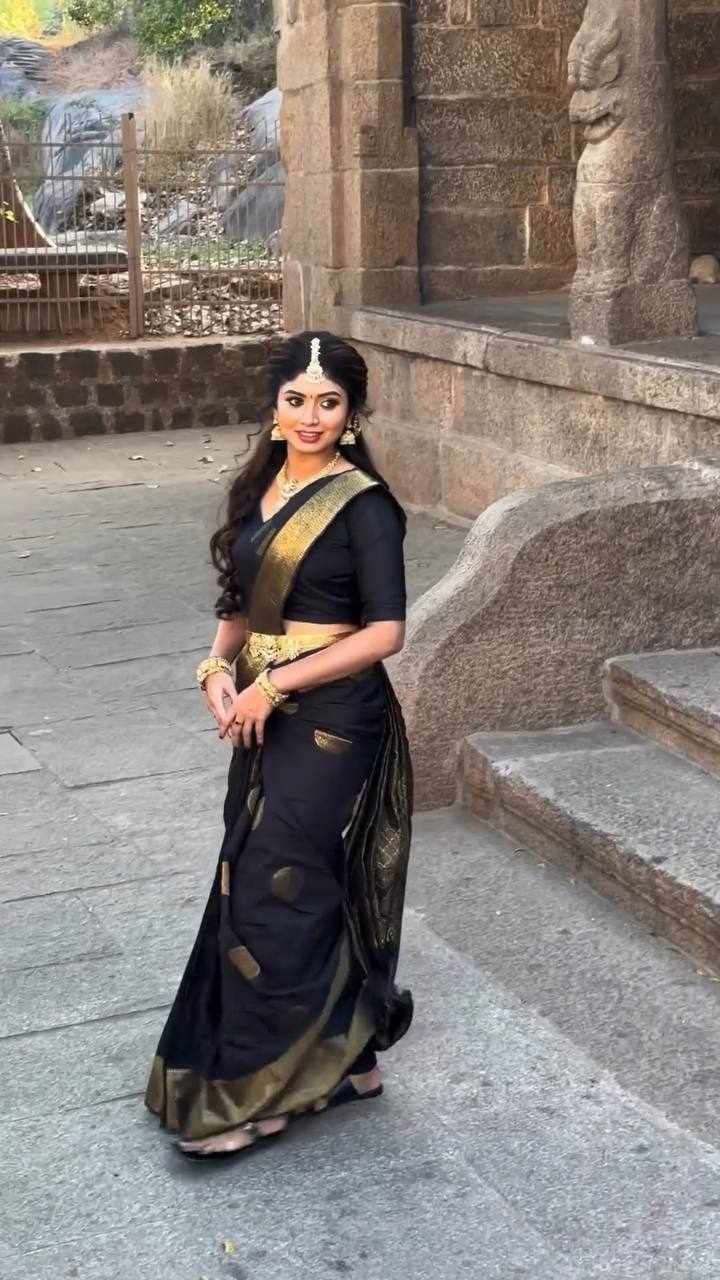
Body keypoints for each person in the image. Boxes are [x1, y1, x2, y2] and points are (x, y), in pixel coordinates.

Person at [144, 330, 414, 1159]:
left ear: (352, 414)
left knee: (277, 883)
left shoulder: (364, 506)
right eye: (297, 400)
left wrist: (273, 684)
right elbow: (240, 604)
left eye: (329, 403)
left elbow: (386, 634)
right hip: (262, 709)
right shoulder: (259, 489)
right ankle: (350, 1057)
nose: (311, 416)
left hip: (333, 716)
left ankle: (260, 1091)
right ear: (274, 406)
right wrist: (215, 670)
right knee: (253, 869)